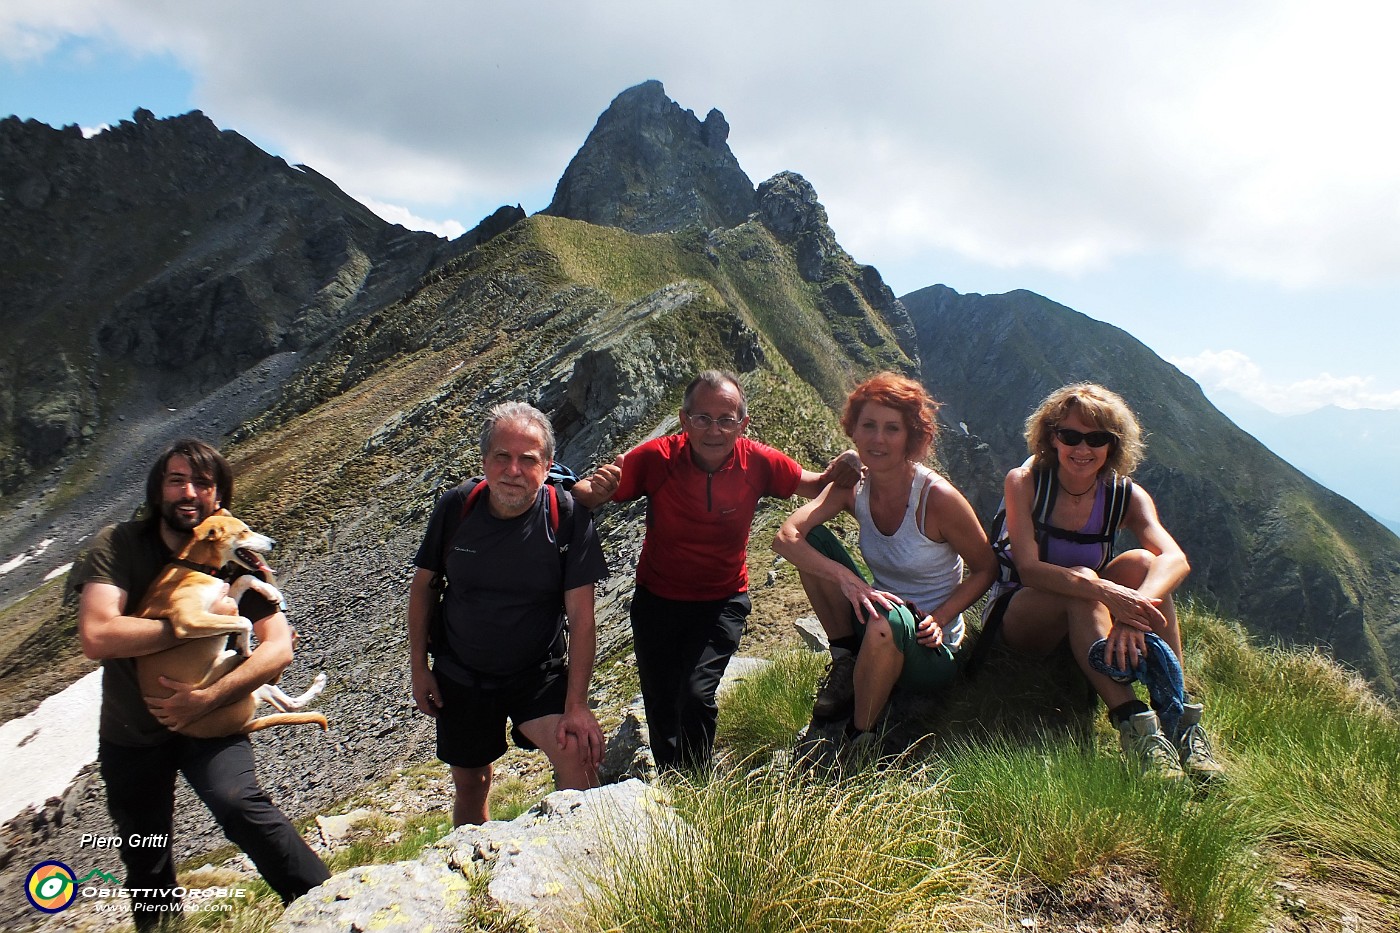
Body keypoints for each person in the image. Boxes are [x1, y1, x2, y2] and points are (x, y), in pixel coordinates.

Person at [74, 439, 329, 930]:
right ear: (158, 490)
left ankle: (334, 906)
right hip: (132, 733)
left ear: (219, 499)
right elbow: (97, 633)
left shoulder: (236, 556)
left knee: (242, 806)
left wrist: (206, 699)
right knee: (146, 858)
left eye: (203, 483)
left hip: (210, 712)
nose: (189, 492)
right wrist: (190, 622)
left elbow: (279, 649)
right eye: (176, 481)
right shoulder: (121, 544)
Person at [571, 370, 861, 772]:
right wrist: (592, 491)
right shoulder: (657, 457)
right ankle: (675, 784)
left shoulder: (757, 461)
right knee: (660, 700)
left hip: (721, 601)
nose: (714, 430)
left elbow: (815, 485)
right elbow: (589, 494)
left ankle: (697, 785)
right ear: (683, 419)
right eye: (702, 418)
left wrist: (848, 463)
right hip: (657, 600)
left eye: (726, 419)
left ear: (743, 424)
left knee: (695, 694)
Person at [982, 382, 1222, 779]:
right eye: (1070, 436)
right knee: (1081, 580)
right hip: (1022, 612)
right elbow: (1028, 568)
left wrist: (1132, 612)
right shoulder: (1024, 483)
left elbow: (1175, 559)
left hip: (1091, 614)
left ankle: (1178, 716)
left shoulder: (1125, 495)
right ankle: (1134, 725)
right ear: (1051, 438)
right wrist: (1106, 590)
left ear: (1113, 445)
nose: (1082, 449)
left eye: (1097, 438)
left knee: (1146, 562)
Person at [772, 373, 997, 750]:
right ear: (853, 431)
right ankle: (846, 659)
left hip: (929, 646)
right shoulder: (853, 486)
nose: (878, 439)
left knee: (882, 623)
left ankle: (860, 739)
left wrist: (940, 618)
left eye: (892, 428)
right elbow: (787, 537)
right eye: (869, 425)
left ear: (912, 437)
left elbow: (986, 567)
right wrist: (845, 577)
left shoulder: (937, 499)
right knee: (814, 542)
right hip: (877, 616)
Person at [408, 402, 608, 825]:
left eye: (528, 459)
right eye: (502, 457)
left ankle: (577, 865)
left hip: (536, 672)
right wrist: (419, 668)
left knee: (577, 754)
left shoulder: (567, 517)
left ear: (548, 464)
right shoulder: (456, 507)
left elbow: (582, 618)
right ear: (485, 461)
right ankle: (473, 868)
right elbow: (423, 588)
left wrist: (577, 705)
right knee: (472, 782)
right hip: (461, 673)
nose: (513, 470)